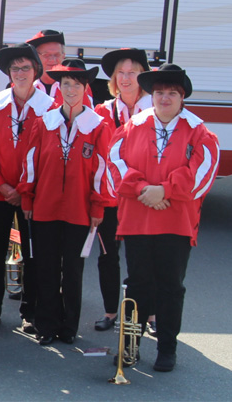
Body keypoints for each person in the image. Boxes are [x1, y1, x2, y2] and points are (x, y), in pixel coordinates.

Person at [109, 63, 219, 372]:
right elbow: (115, 164)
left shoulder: (199, 131)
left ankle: (167, 349)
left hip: (176, 223)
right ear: (152, 95)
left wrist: (165, 192)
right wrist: (145, 189)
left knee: (171, 286)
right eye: (159, 92)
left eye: (172, 93)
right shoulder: (132, 126)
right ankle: (129, 347)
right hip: (138, 220)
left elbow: (203, 173)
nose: (165, 98)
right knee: (137, 285)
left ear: (182, 97)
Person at [19, 59, 113, 346]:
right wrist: (27, 196)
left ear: (86, 89)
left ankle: (69, 327)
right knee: (45, 268)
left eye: (77, 84)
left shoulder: (98, 126)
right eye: (66, 84)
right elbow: (30, 163)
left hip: (79, 211)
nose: (71, 89)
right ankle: (46, 324)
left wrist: (98, 207)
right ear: (58, 87)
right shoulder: (44, 122)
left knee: (72, 271)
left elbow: (102, 169)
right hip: (45, 208)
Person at [0, 43, 53, 332]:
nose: (20, 73)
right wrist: (2, 186)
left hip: (32, 195)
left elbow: (49, 154)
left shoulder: (49, 107)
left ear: (36, 71)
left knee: (31, 253)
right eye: (14, 69)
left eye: (25, 68)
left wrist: (24, 190)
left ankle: (30, 311)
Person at [92, 48, 153, 333]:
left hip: (142, 198)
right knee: (108, 256)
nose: (126, 78)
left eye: (133, 73)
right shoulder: (102, 111)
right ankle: (110, 312)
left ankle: (148, 314)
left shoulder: (155, 111)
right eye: (121, 73)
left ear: (144, 76)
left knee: (143, 257)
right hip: (109, 197)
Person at [26, 29, 93, 107]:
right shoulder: (26, 86)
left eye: (57, 55)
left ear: (63, 56)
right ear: (36, 57)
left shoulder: (79, 87)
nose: (52, 59)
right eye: (46, 55)